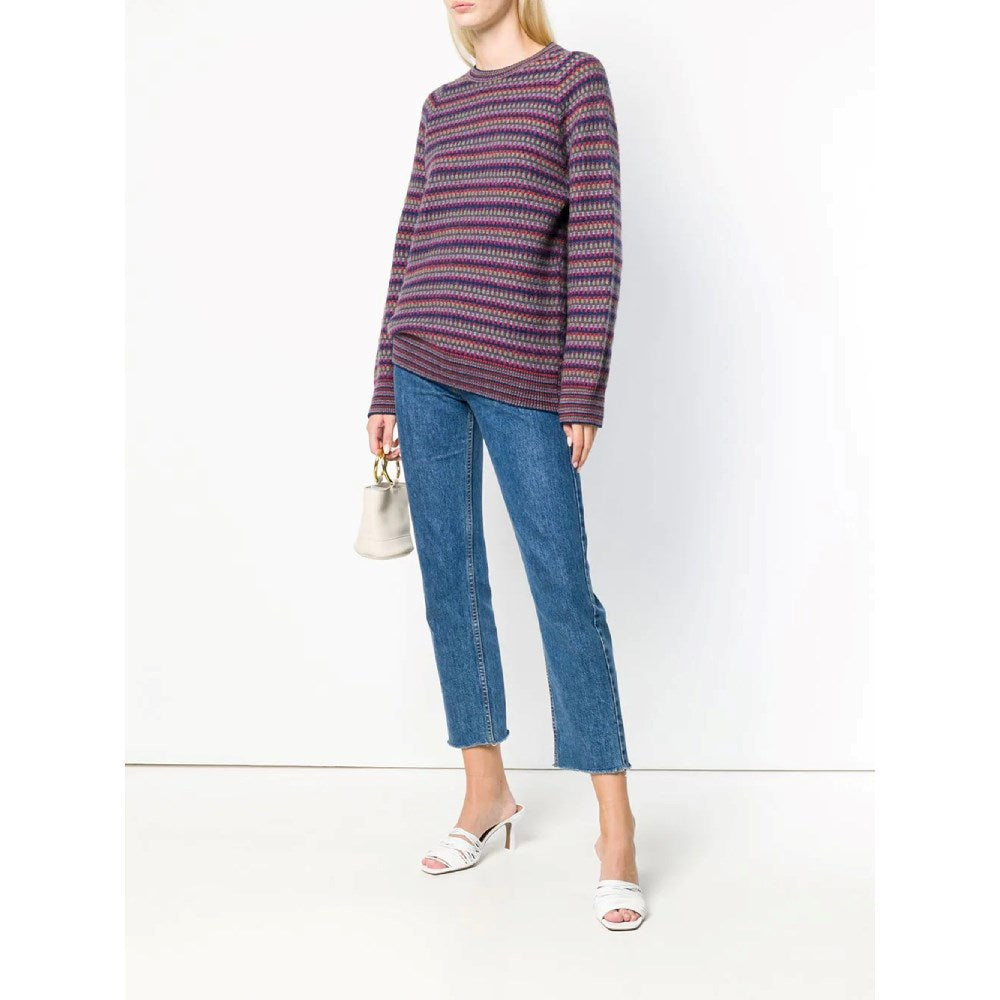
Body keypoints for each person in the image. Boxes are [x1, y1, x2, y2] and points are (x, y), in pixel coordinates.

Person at [365, 0, 645, 930]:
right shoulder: (442, 105)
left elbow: (598, 240)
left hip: (526, 371)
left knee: (563, 587)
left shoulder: (573, 80)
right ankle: (485, 792)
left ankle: (616, 830)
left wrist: (582, 389)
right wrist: (382, 383)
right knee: (451, 582)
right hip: (423, 365)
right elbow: (409, 243)